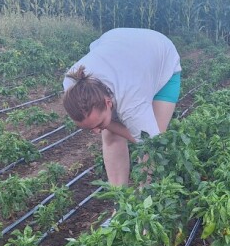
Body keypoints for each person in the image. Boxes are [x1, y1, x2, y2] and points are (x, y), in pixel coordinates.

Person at [62, 28, 181, 186]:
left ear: (108, 102)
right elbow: (114, 129)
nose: (96, 131)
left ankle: (146, 200)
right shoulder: (72, 84)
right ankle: (120, 198)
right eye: (89, 128)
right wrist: (108, 124)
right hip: (119, 46)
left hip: (161, 58)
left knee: (151, 148)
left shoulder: (131, 100)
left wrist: (110, 124)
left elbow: (151, 143)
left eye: (98, 124)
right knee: (110, 136)